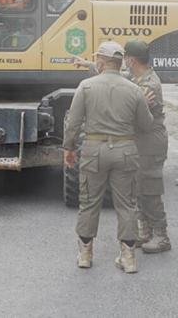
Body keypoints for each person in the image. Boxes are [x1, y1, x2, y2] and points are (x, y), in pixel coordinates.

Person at [64, 41, 154, 273]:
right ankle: (128, 258)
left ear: (101, 62)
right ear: (120, 62)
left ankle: (85, 254)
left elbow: (73, 124)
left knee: (89, 202)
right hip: (125, 150)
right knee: (126, 204)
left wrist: (69, 149)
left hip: (94, 150)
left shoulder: (86, 86)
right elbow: (146, 125)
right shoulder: (134, 89)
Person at [123, 40, 171, 254]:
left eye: (125, 58)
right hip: (141, 140)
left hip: (150, 141)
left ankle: (161, 235)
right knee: (139, 187)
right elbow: (119, 80)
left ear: (131, 60)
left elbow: (136, 117)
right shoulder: (138, 78)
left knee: (150, 189)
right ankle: (146, 231)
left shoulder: (148, 84)